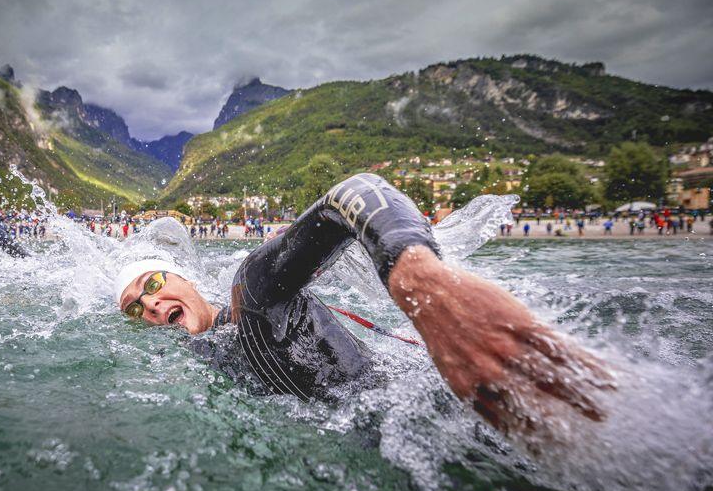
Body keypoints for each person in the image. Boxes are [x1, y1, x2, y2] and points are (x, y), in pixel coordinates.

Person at [114, 174, 613, 437]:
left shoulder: (254, 294)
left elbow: (350, 193)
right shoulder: (198, 361)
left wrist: (429, 289)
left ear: (185, 278)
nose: (153, 304)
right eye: (136, 307)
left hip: (444, 411)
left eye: (154, 282)